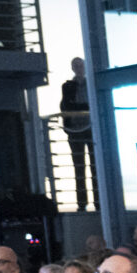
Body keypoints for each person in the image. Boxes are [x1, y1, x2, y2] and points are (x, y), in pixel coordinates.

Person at [59, 59, 94, 209]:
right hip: (75, 129)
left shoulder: (92, 84)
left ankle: (99, 202)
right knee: (79, 166)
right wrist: (83, 107)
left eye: (81, 65)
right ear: (73, 68)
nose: (79, 68)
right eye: (76, 66)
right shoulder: (68, 86)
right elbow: (67, 105)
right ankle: (82, 203)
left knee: (95, 166)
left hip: (91, 128)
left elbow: (90, 104)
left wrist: (78, 107)